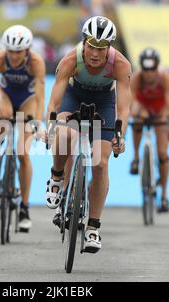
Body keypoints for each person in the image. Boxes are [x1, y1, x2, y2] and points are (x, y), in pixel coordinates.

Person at [45, 16, 131, 253]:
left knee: (101, 164)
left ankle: (93, 226)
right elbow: (54, 99)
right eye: (91, 46)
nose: (95, 53)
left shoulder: (120, 64)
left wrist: (119, 135)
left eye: (101, 48)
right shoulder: (71, 59)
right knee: (63, 135)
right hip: (74, 96)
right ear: (84, 42)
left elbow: (123, 107)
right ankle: (56, 177)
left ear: (109, 48)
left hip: (104, 102)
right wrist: (50, 126)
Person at [0, 24, 46, 231]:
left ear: (27, 50)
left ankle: (24, 207)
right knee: (3, 116)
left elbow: (39, 96)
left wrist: (38, 123)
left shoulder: (36, 62)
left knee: (23, 154)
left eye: (18, 52)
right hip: (5, 95)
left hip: (27, 99)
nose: (14, 56)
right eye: (11, 51)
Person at [129, 47, 169, 213]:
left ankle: (164, 195)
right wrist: (135, 113)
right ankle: (135, 157)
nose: (149, 73)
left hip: (160, 110)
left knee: (163, 154)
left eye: (152, 69)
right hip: (143, 107)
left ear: (157, 67)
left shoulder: (165, 78)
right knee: (137, 118)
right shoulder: (136, 78)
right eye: (146, 69)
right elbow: (130, 101)